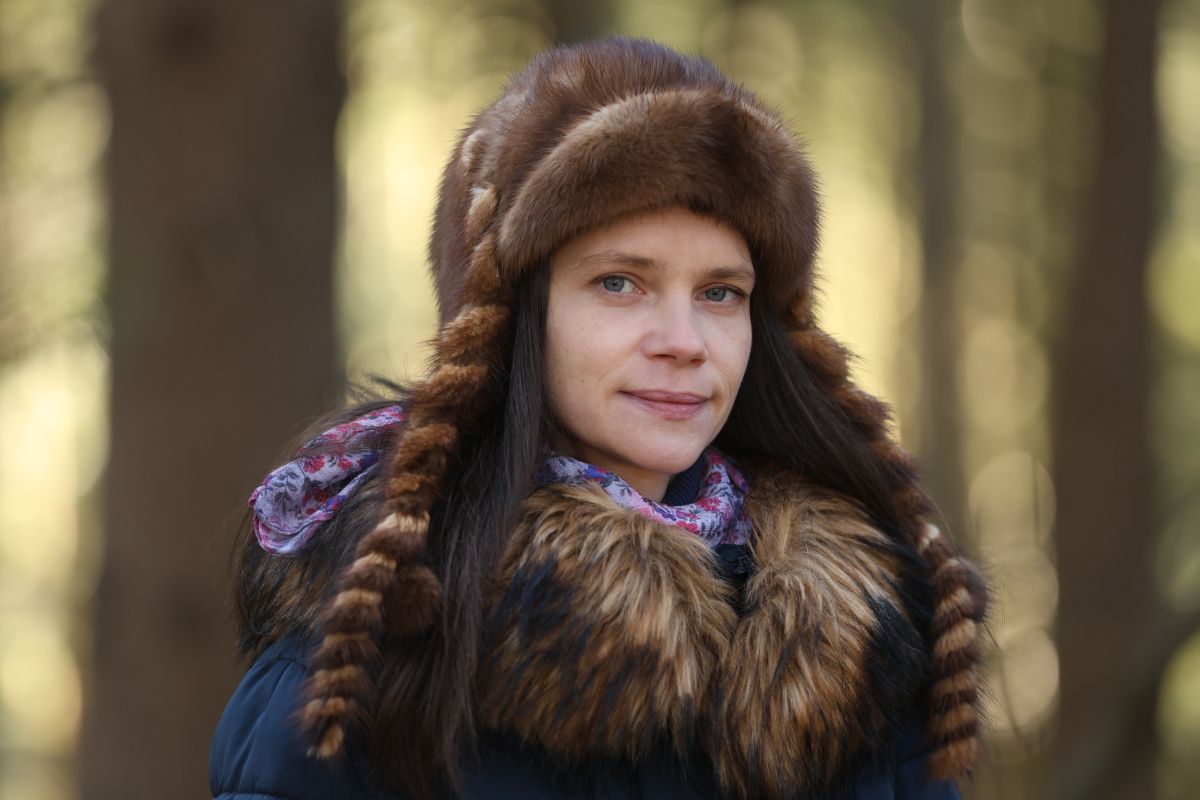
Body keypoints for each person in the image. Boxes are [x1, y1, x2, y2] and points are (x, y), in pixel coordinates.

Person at [210, 37, 987, 800]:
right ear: (506, 320)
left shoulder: (870, 641)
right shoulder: (376, 641)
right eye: (620, 283)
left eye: (721, 293)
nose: (684, 341)